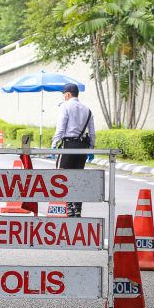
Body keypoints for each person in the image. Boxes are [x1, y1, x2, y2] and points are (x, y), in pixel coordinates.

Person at [50, 83, 95, 218]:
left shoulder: (65, 106)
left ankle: (70, 209)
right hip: (82, 148)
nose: (64, 97)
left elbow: (61, 128)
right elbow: (92, 132)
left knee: (64, 178)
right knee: (78, 178)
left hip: (68, 147)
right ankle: (78, 209)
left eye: (64, 94)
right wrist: (91, 148)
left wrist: (54, 145)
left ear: (68, 94)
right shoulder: (87, 109)